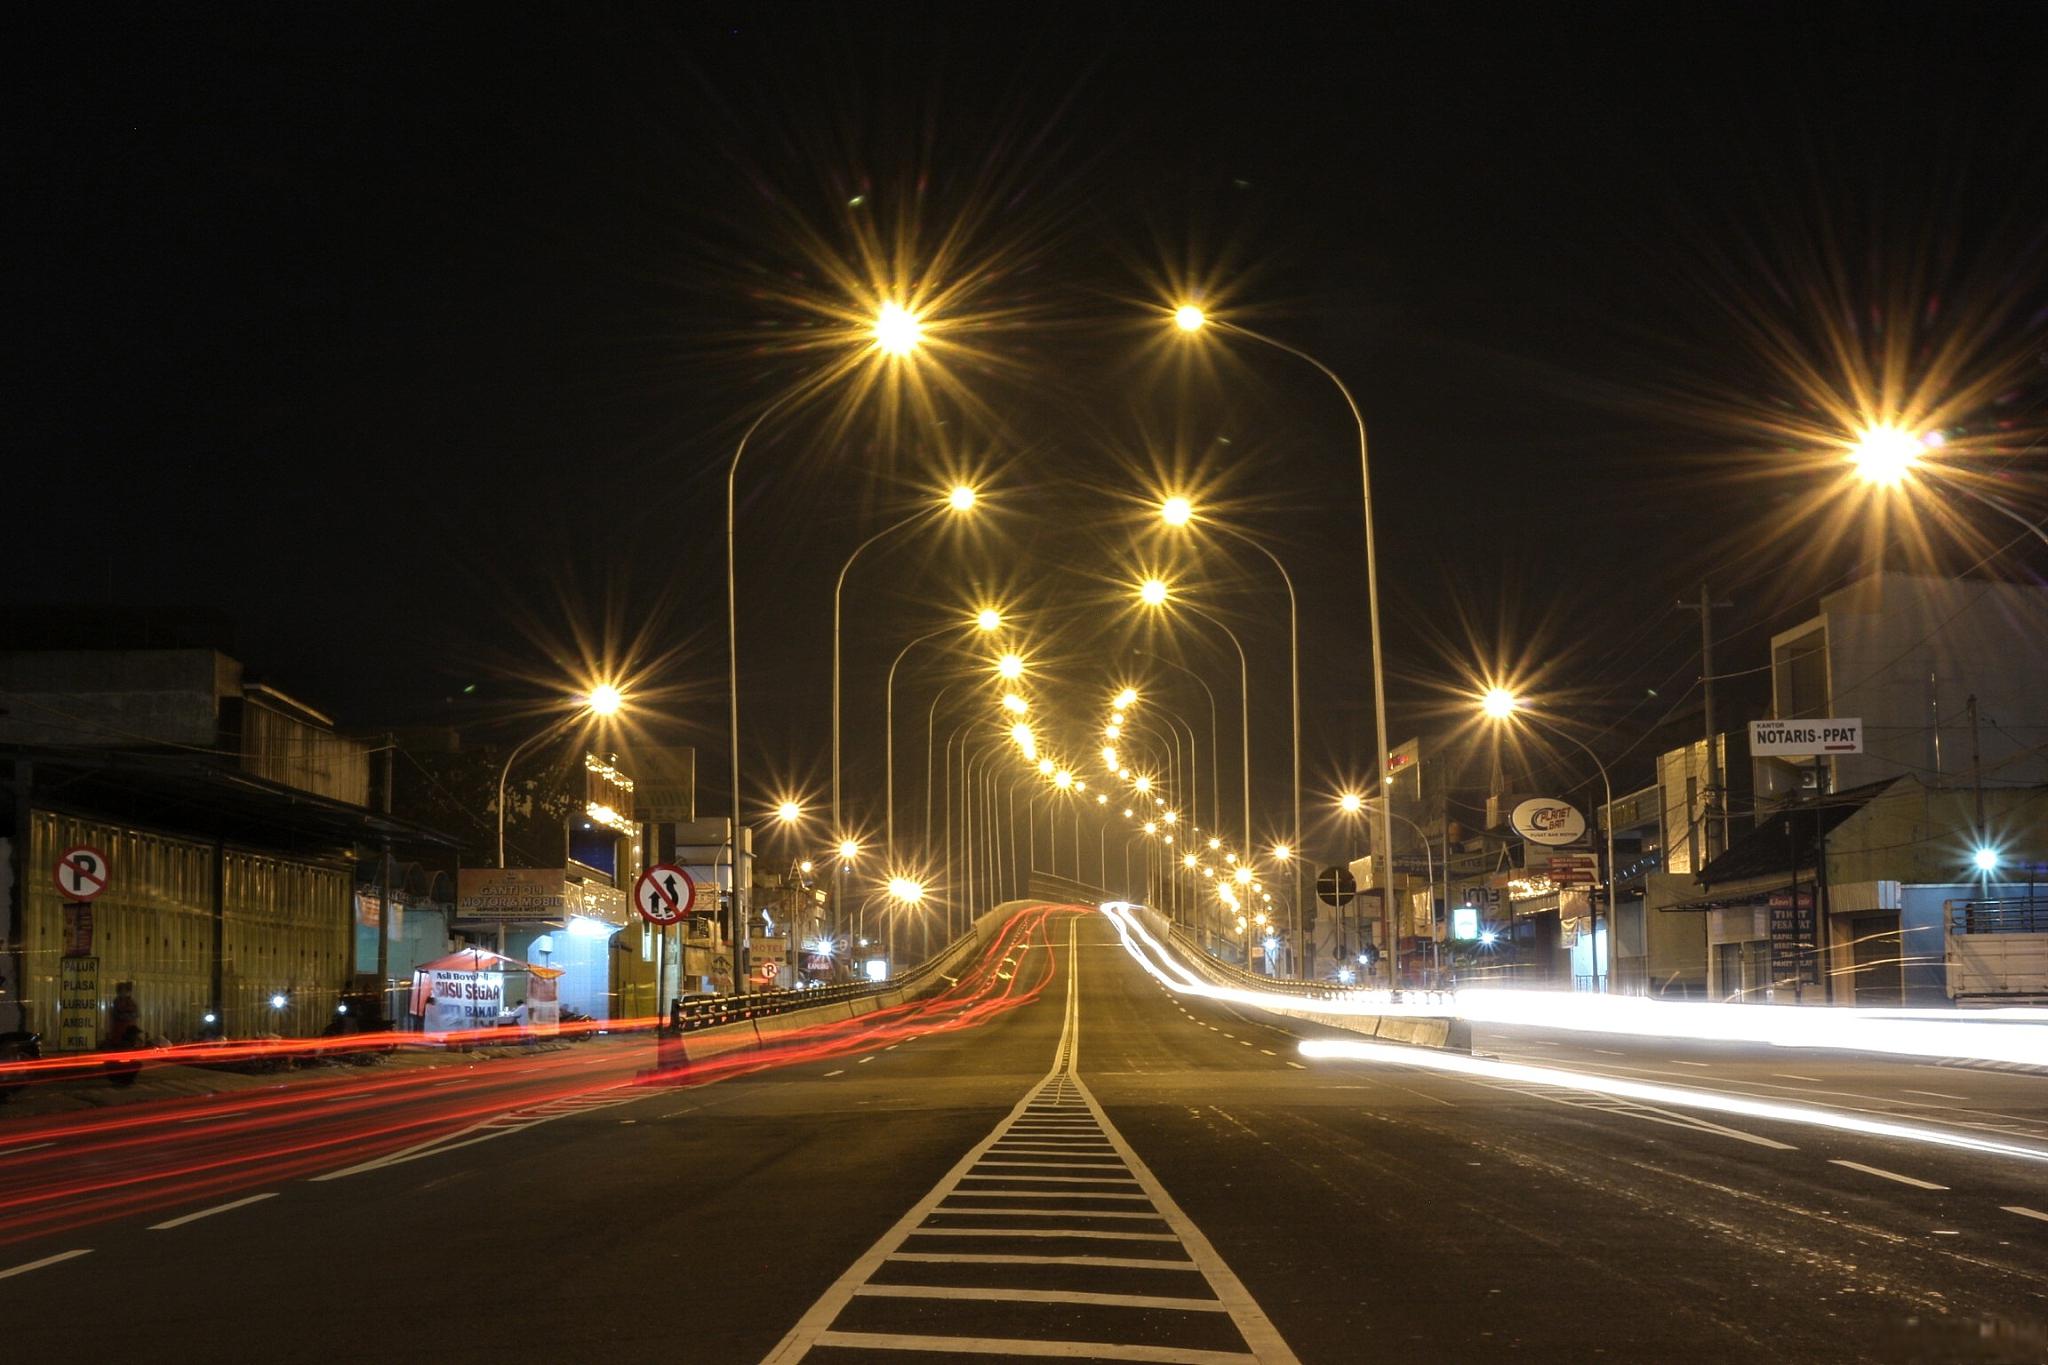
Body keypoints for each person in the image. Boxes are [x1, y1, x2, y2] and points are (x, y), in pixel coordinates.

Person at [109, 980, 141, 1046]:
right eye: (122, 990)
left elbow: (136, 1014)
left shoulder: (131, 1002)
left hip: (129, 1032)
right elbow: (116, 1015)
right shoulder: (117, 1002)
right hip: (119, 1032)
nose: (124, 993)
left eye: (126, 990)